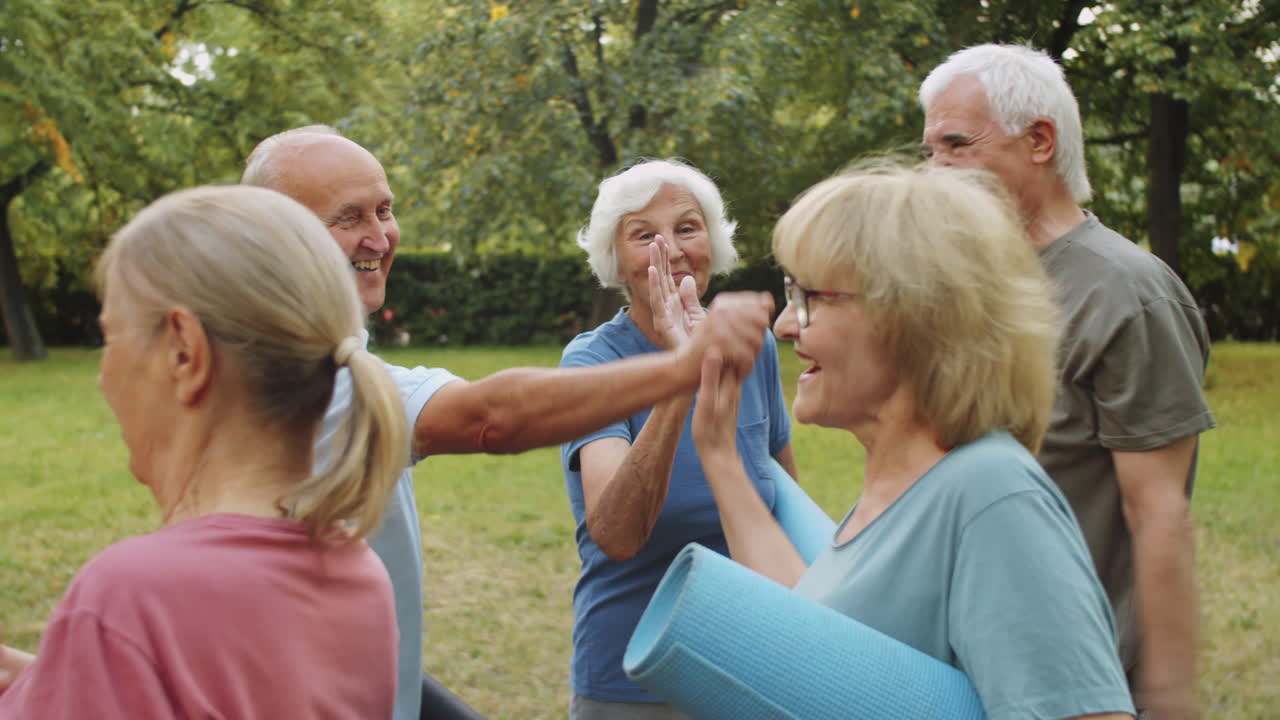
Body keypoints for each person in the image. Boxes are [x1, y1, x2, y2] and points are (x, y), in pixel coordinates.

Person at [241, 129, 776, 720]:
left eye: (385, 209)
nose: (380, 235)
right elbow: (490, 419)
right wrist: (684, 371)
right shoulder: (308, 380)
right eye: (348, 217)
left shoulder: (327, 360)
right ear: (276, 238)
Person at [690, 164, 1136, 720]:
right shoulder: (905, 487)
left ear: (912, 317)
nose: (784, 325)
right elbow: (816, 643)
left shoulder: (991, 493)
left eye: (810, 298)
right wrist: (719, 455)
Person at [0, 185, 409, 717]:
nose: (103, 379)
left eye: (112, 341)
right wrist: (59, 679)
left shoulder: (131, 599)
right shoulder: (358, 576)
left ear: (185, 352)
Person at [918, 44, 1215, 719]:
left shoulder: (1128, 294)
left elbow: (1159, 514)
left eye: (956, 145)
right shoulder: (963, 284)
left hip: (1076, 681)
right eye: (929, 150)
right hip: (963, 662)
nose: (935, 171)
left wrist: (1167, 698)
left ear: (1040, 141)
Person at [560, 158, 796, 720]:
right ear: (616, 261)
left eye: (687, 228)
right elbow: (616, 534)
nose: (671, 249)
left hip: (749, 669)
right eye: (644, 236)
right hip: (636, 677)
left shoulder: (752, 346)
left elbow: (783, 503)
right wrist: (680, 371)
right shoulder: (592, 362)